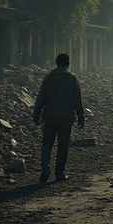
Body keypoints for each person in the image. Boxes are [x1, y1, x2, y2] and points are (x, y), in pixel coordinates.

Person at [33, 52, 85, 183]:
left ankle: (45, 168)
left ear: (56, 63)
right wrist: (81, 116)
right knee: (63, 146)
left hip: (50, 117)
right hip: (66, 119)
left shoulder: (49, 77)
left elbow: (41, 98)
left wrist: (36, 114)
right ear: (68, 64)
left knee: (47, 144)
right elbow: (77, 100)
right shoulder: (72, 78)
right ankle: (59, 173)